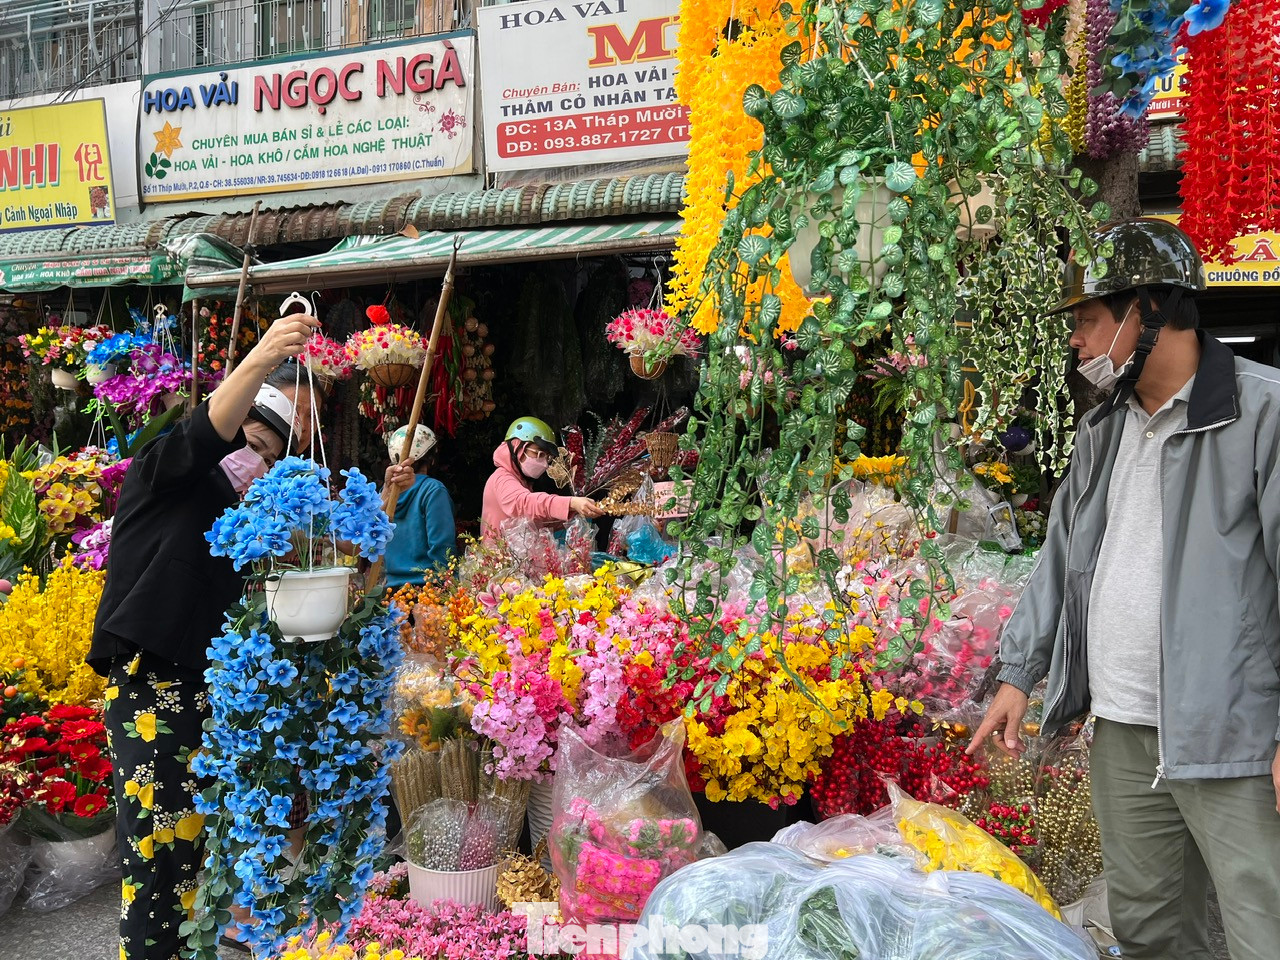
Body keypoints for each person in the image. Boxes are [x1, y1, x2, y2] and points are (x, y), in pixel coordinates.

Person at [967, 218, 1280, 960]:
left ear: (1153, 310)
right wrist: (1021, 671)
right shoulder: (1104, 428)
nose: (1076, 341)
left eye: (1089, 320)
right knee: (1148, 930)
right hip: (1126, 730)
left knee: (1263, 925)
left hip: (1234, 734)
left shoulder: (1262, 413)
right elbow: (1062, 556)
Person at [88, 313, 320, 960]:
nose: (260, 463)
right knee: (158, 862)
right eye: (257, 443)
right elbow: (204, 430)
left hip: (202, 693)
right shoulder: (166, 470)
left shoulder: (237, 518)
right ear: (234, 425)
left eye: (275, 456)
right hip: (149, 689)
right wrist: (262, 355)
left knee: (195, 863)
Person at [481, 416, 601, 536]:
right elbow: (523, 504)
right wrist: (570, 503)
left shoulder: (522, 482)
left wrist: (573, 511)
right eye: (539, 454)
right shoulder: (502, 478)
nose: (544, 464)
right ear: (517, 447)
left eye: (547, 458)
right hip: (498, 554)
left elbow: (536, 521)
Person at [381, 423, 456, 587]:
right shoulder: (433, 490)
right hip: (427, 592)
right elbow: (443, 549)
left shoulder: (385, 494)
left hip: (391, 593)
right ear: (432, 458)